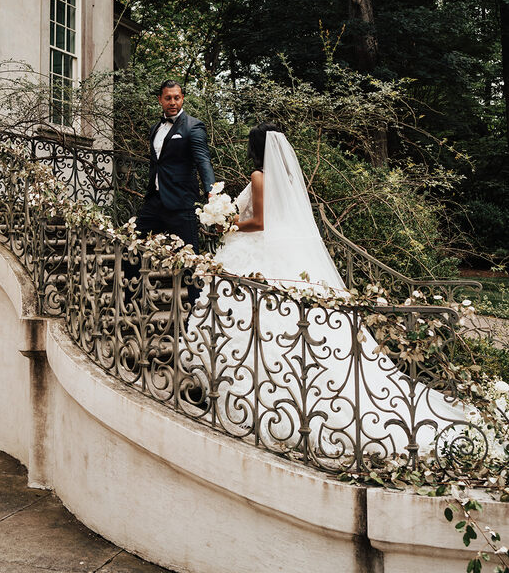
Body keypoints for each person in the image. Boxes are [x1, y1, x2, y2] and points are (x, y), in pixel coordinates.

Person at [185, 124, 468, 463]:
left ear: (255, 147)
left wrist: (228, 225)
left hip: (254, 248)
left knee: (256, 320)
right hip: (273, 252)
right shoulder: (286, 178)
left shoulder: (259, 176)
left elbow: (259, 222)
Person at [136, 80, 215, 255]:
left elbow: (203, 160)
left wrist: (211, 190)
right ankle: (134, 282)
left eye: (177, 98)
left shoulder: (193, 126)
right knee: (135, 246)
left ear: (183, 99)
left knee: (188, 256)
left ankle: (191, 284)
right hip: (154, 201)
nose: (173, 102)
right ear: (160, 100)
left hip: (181, 201)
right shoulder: (155, 128)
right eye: (168, 98)